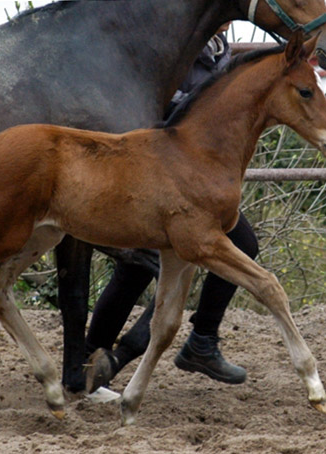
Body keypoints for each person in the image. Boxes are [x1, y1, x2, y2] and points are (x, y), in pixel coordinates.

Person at [85, 24, 259, 392]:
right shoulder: (177, 42)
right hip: (158, 173)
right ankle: (92, 359)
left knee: (240, 244)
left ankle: (200, 341)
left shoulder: (217, 46)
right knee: (136, 271)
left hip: (197, 181)